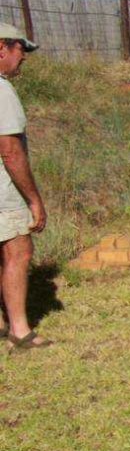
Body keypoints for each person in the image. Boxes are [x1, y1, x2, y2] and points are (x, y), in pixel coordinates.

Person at [0, 22, 50, 351]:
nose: (24, 57)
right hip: (3, 192)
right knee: (18, 251)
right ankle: (20, 330)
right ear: (1, 47)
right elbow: (9, 149)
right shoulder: (2, 91)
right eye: (21, 48)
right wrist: (33, 199)